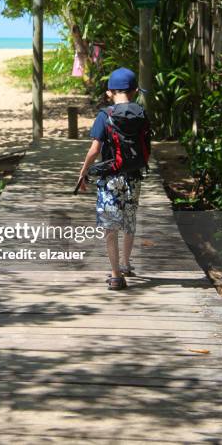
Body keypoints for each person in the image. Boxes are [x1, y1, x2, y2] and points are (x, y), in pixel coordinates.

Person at [77, 67, 151, 291]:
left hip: (111, 179)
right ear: (135, 91)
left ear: (110, 92)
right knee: (129, 220)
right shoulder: (141, 113)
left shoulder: (104, 115)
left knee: (111, 227)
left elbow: (94, 150)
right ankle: (126, 263)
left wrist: (83, 173)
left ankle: (116, 275)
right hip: (134, 177)